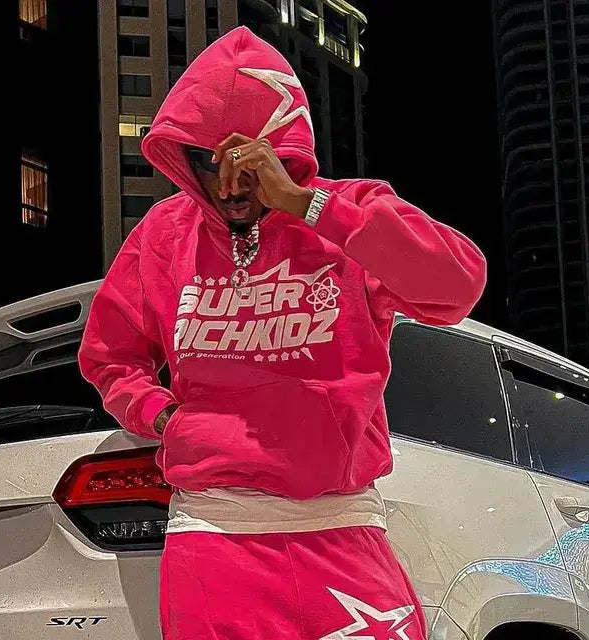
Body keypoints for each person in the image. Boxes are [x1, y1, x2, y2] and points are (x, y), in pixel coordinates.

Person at [78, 26, 486, 640]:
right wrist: (164, 417)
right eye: (208, 163)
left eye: (248, 166)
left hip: (340, 523)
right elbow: (110, 357)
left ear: (281, 153)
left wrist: (306, 205)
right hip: (214, 532)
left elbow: (457, 286)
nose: (230, 187)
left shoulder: (349, 210)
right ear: (184, 158)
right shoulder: (165, 234)